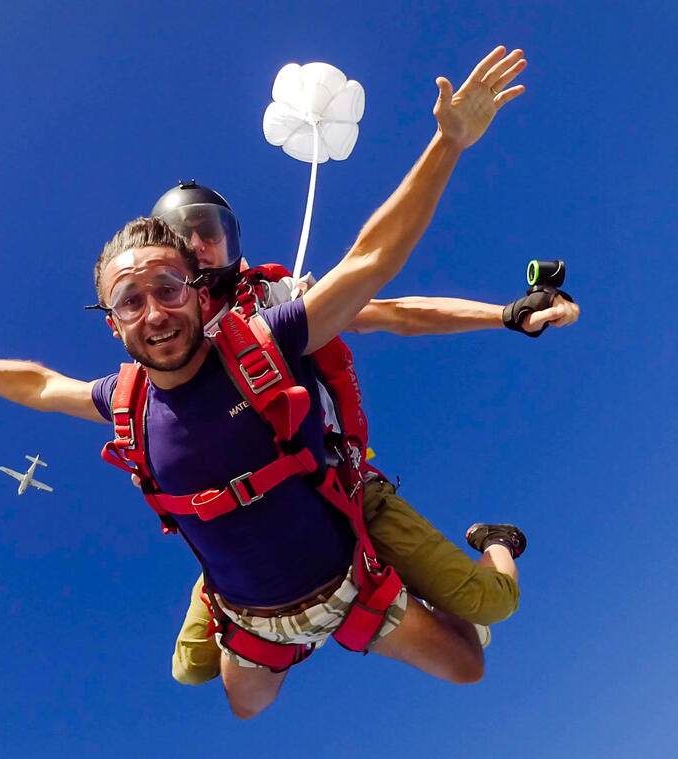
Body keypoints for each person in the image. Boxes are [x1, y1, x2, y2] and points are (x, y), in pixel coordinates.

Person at [0, 47, 528, 718]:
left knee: (477, 639)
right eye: (130, 301)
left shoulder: (274, 323)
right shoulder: (127, 398)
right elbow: (39, 385)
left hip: (343, 533)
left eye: (171, 286)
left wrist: (449, 147)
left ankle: (496, 543)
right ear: (111, 323)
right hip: (249, 604)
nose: (155, 311)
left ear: (195, 286)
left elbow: (373, 268)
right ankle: (237, 568)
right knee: (199, 676)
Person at [148, 178, 576, 687]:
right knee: (189, 668)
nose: (199, 245)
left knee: (490, 603)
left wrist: (504, 315)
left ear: (231, 242)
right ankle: (301, 615)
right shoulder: (157, 342)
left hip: (341, 486)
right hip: (251, 524)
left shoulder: (278, 304)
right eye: (184, 235)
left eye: (210, 232)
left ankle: (497, 540)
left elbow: (394, 315)